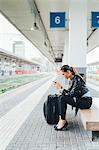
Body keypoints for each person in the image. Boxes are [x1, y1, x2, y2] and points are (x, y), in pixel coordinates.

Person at [53, 65, 92, 131]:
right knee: (61, 97)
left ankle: (62, 121)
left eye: (63, 74)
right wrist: (60, 88)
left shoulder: (77, 80)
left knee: (62, 98)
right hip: (82, 100)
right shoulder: (73, 79)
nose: (63, 75)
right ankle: (61, 119)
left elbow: (71, 94)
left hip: (86, 102)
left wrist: (60, 88)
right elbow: (69, 92)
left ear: (68, 72)